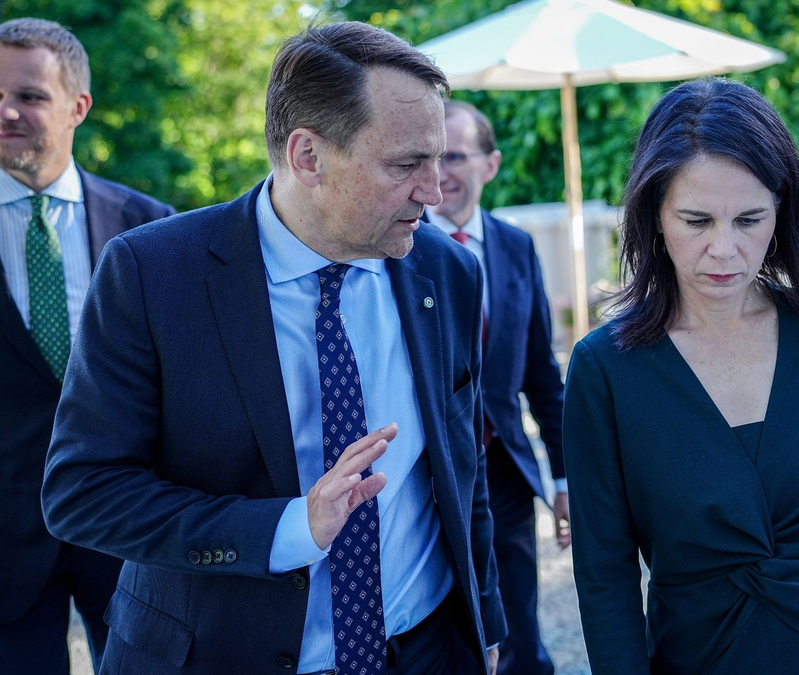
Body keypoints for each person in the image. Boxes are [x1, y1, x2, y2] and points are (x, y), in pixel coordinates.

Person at [42, 21, 505, 675]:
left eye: (437, 160)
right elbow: (83, 491)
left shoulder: (447, 272)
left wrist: (483, 621)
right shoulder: (152, 274)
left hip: (425, 651)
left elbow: (462, 468)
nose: (435, 191)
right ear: (307, 156)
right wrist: (289, 527)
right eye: (406, 164)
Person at [562, 77, 799, 674]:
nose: (724, 250)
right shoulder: (604, 369)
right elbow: (605, 577)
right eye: (697, 221)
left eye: (749, 220)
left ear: (782, 213)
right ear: (654, 218)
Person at [0, 18, 173, 675]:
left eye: (30, 96)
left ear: (78, 106)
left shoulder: (151, 229)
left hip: (129, 533)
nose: (5, 113)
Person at [427, 100, 568, 675]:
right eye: (431, 157)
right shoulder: (397, 251)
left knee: (521, 634)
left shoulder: (516, 248)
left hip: (504, 467)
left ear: (491, 164)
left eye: (455, 156)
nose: (440, 172)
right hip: (428, 476)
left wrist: (563, 479)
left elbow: (542, 375)